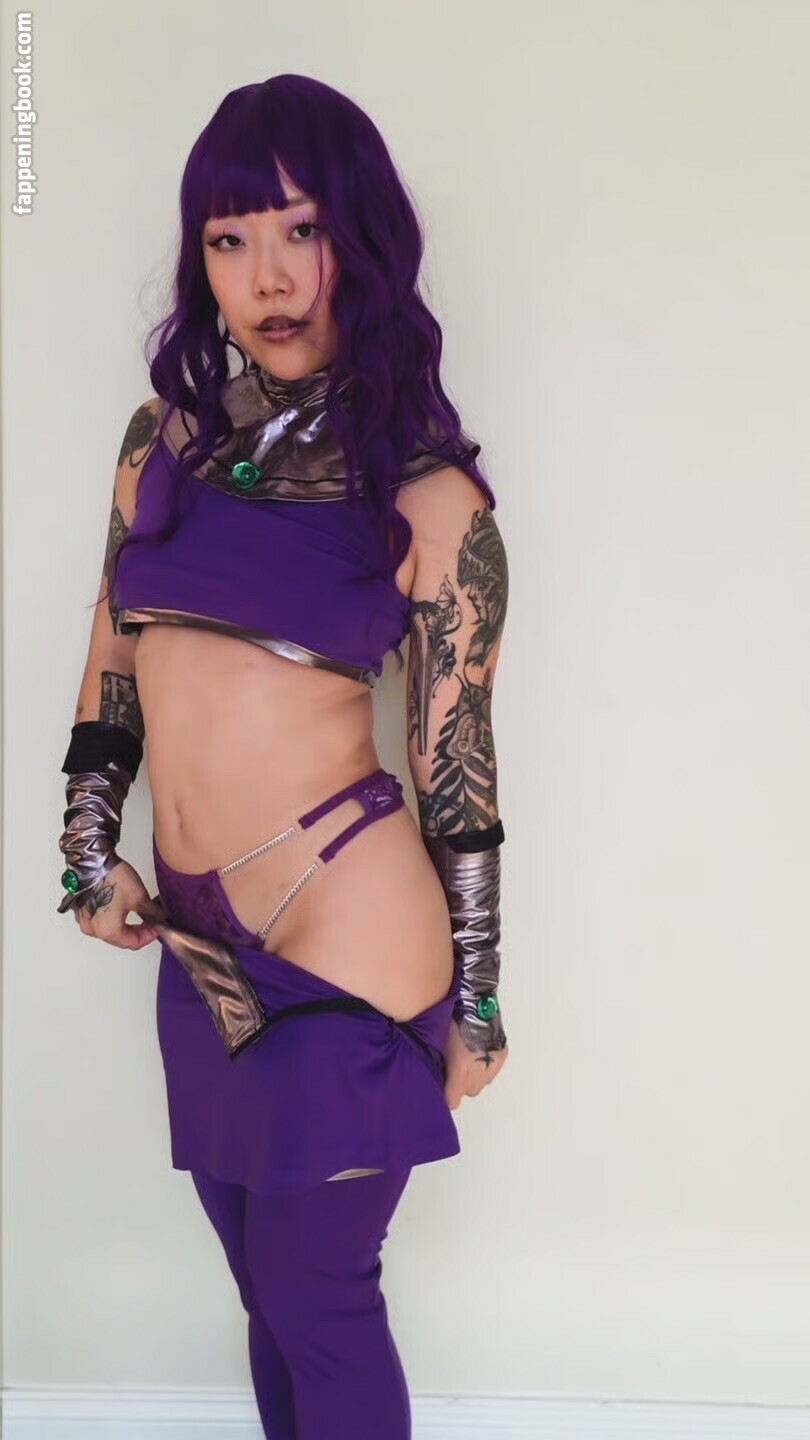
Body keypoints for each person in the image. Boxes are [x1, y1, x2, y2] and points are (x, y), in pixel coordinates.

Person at [56, 73, 509, 1440]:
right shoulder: (162, 444)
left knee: (319, 1294)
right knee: (266, 1292)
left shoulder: (428, 496)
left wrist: (479, 994)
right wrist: (88, 846)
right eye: (230, 238)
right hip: (197, 939)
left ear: (356, 239)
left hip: (344, 932)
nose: (268, 276)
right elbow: (114, 653)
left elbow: (457, 763)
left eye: (301, 230)